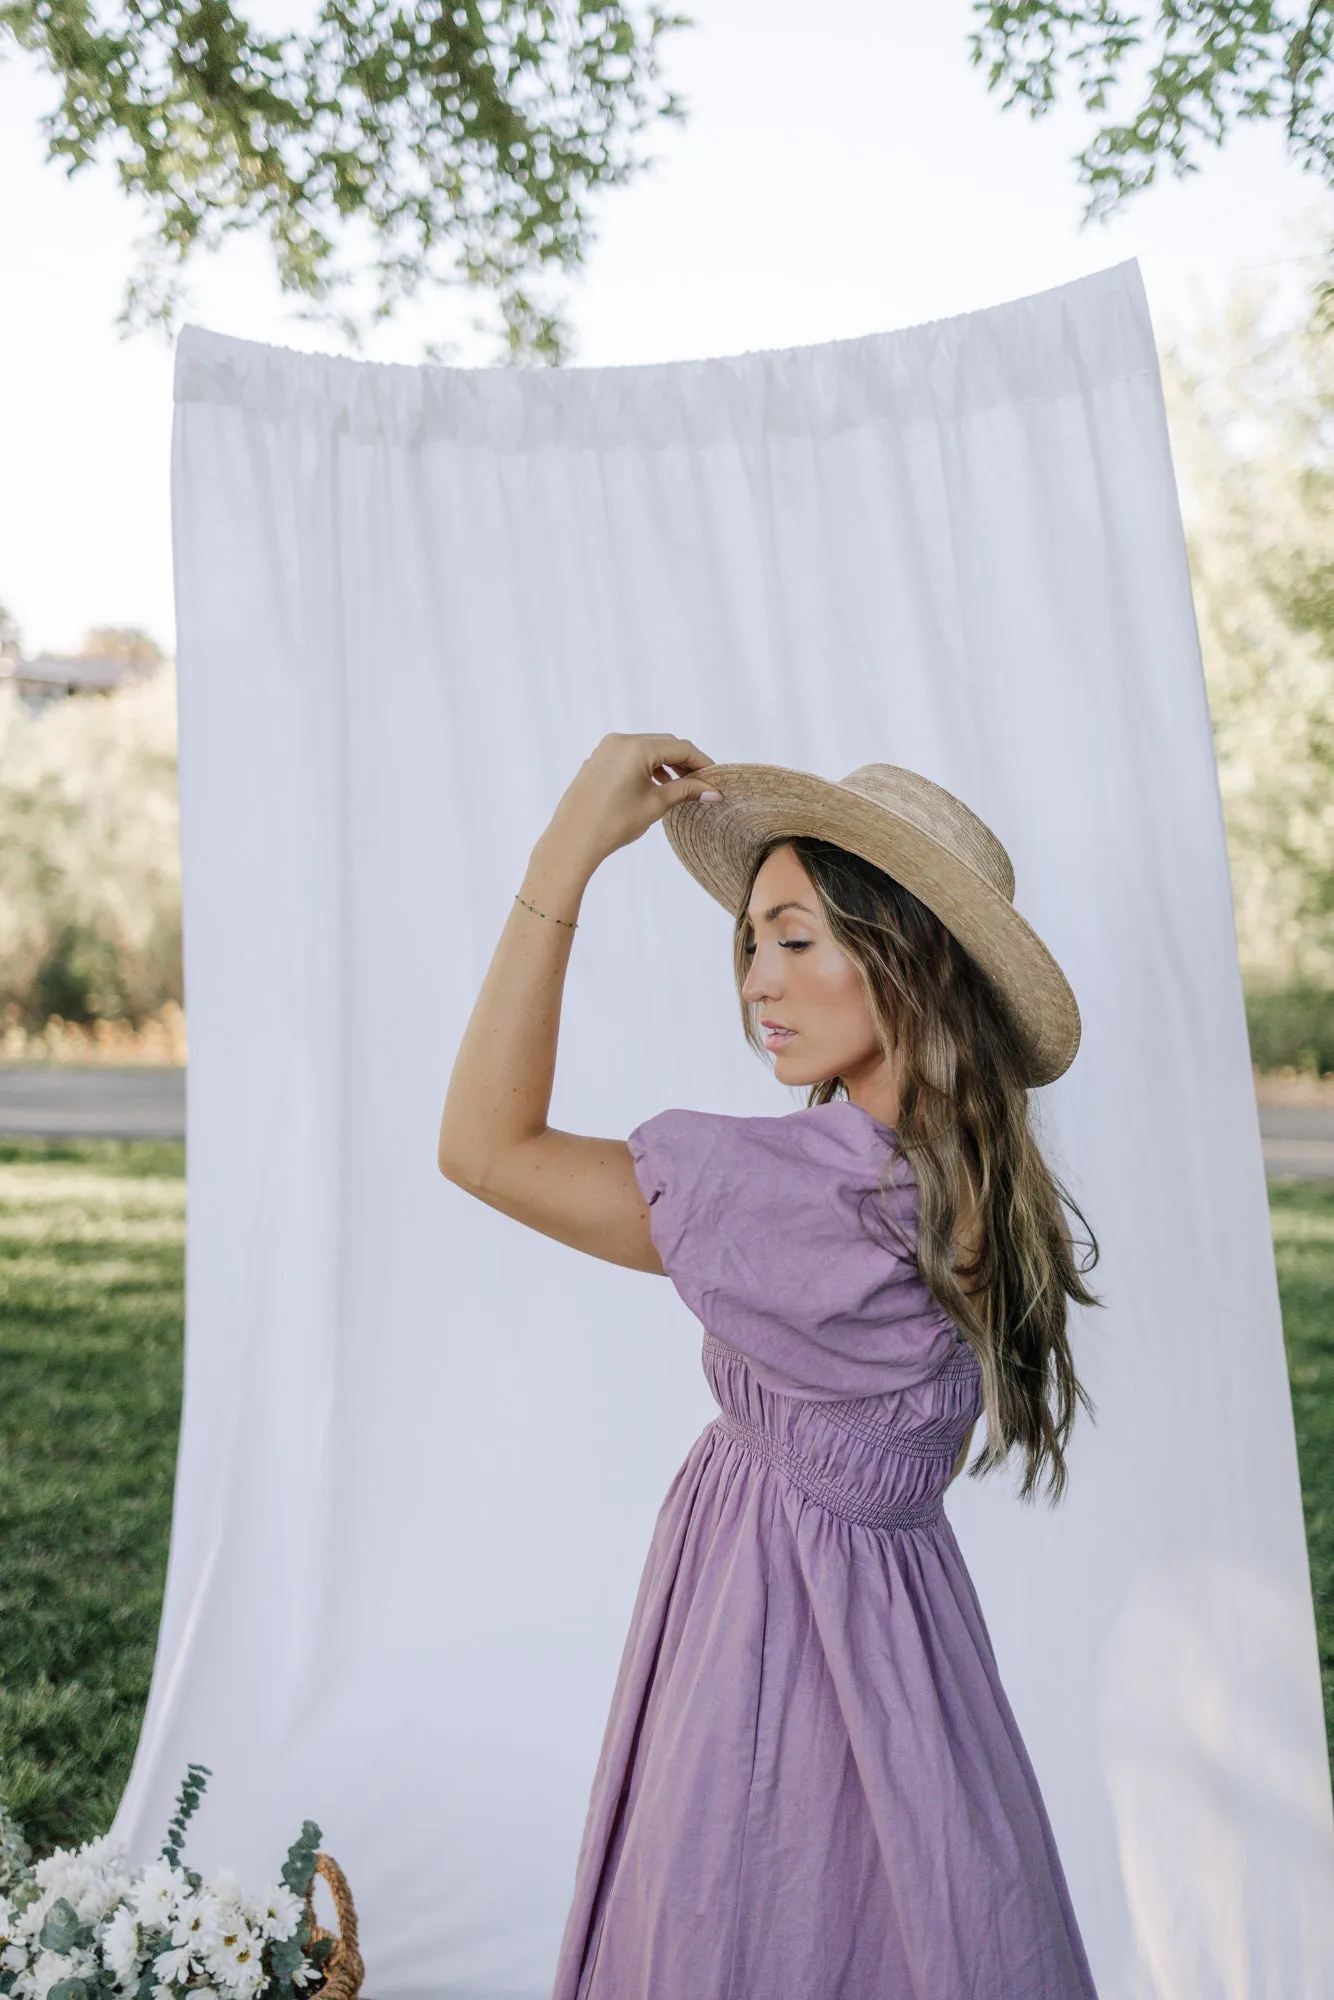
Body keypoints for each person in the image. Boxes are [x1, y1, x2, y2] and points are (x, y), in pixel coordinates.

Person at [438, 732, 1100, 2000]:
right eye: (750, 940)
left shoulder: (805, 1196)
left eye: (796, 938)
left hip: (769, 1643)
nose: (758, 978)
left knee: (746, 1927)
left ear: (906, 958)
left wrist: (564, 850)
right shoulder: (966, 1179)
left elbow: (482, 1143)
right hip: (907, 1655)